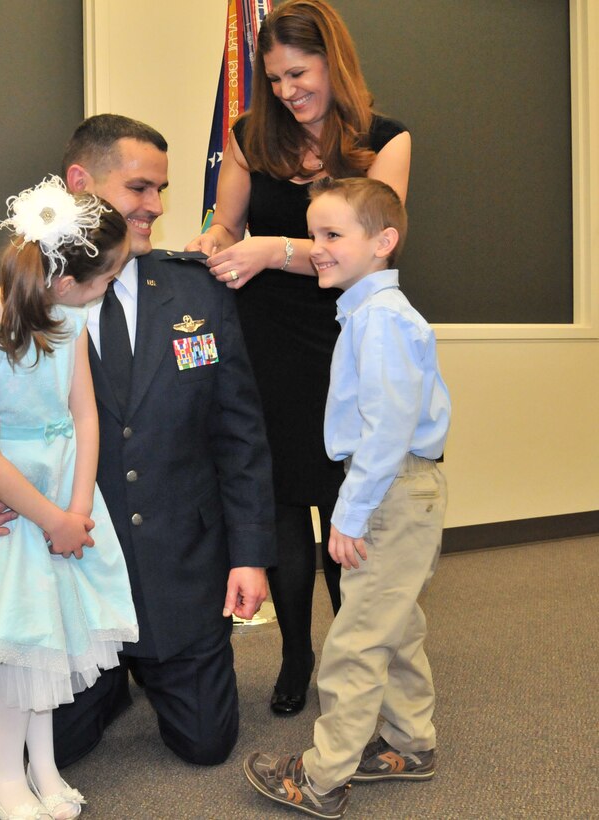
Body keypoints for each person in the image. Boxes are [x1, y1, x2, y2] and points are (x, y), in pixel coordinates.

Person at [0, 114, 277, 770]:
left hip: (181, 574)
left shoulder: (198, 290)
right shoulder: (23, 299)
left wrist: (250, 557)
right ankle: (106, 684)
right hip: (69, 579)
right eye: (140, 187)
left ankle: (154, 674)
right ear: (81, 182)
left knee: (206, 746)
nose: (157, 206)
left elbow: (241, 434)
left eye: (163, 189)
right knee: (48, 752)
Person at [186, 0, 411, 716]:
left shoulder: (387, 139)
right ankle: (295, 654)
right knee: (281, 501)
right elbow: (225, 224)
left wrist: (276, 250)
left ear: (333, 62)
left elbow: (371, 246)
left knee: (352, 501)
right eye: (274, 77)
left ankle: (354, 653)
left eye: (299, 73)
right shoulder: (252, 134)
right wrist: (213, 243)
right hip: (269, 341)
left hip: (349, 338)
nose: (285, 91)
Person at [0, 177, 139, 820]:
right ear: (63, 279)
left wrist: (77, 510)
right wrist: (50, 518)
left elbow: (85, 414)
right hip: (10, 505)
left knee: (53, 640)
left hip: (62, 498)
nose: (108, 288)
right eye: (106, 277)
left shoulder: (70, 316)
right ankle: (5, 778)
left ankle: (44, 769)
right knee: (19, 641)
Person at [244, 177, 450, 819]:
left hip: (389, 488)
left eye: (333, 235)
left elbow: (387, 429)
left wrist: (350, 513)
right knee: (394, 623)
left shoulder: (380, 322)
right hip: (399, 485)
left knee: (356, 639)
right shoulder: (366, 313)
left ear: (383, 242)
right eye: (315, 233)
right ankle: (410, 744)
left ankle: (322, 777)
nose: (318, 248)